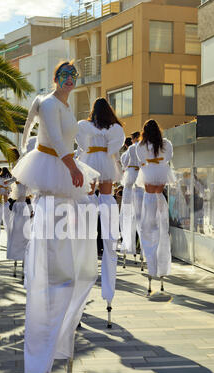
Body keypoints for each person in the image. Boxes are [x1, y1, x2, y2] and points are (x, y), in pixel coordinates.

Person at [11, 60, 99, 373]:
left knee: (74, 252)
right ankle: (47, 333)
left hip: (64, 176)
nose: (69, 81)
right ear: (54, 78)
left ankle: (66, 315)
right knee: (52, 251)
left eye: (73, 77)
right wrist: (73, 167)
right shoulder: (48, 103)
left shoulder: (66, 108)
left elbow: (71, 143)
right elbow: (59, 144)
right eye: (64, 76)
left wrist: (80, 168)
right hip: (52, 170)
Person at [76, 97, 125, 309]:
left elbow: (81, 143)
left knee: (88, 195)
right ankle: (107, 217)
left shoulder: (85, 126)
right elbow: (115, 146)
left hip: (90, 160)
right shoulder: (114, 128)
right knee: (107, 196)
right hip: (105, 161)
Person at [136, 119, 175, 283]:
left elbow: (140, 159)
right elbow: (169, 156)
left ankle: (151, 263)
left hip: (148, 175)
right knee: (162, 227)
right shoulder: (165, 144)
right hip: (161, 174)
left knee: (147, 226)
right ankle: (162, 265)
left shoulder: (141, 145)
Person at [120, 132, 144, 256]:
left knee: (127, 213)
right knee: (140, 214)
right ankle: (142, 246)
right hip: (140, 180)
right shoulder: (144, 148)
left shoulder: (131, 149)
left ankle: (128, 245)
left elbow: (123, 162)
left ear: (134, 139)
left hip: (130, 180)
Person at [0, 167, 15, 245]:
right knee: (7, 220)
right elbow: (15, 179)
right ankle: (9, 237)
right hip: (6, 199)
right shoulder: (9, 178)